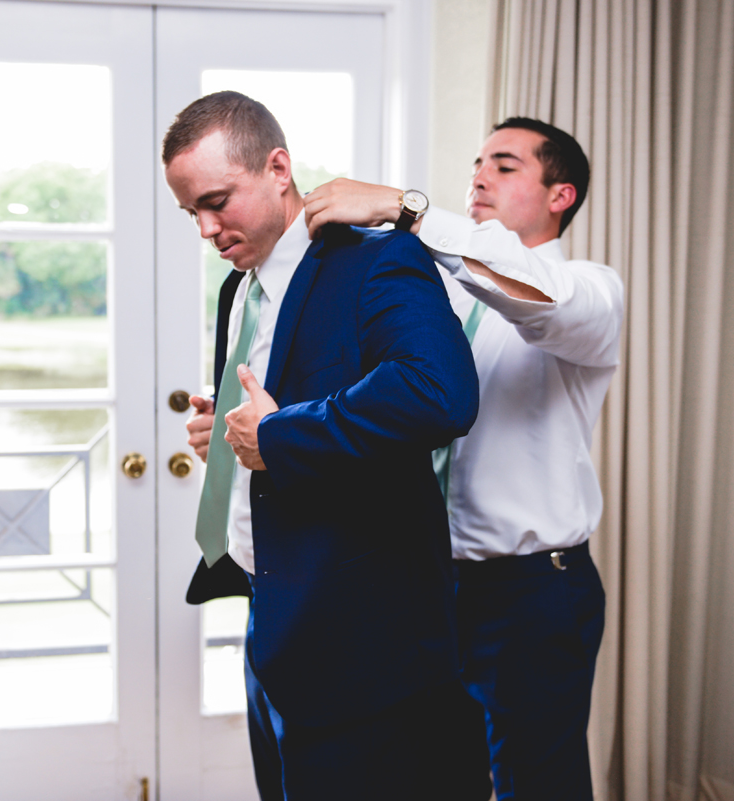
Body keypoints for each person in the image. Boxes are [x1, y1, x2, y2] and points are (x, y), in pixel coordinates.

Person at [164, 91, 491, 801]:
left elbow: (439, 392)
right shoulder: (237, 288)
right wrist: (227, 431)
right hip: (271, 616)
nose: (206, 228)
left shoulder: (377, 260)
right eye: (191, 211)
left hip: (361, 640)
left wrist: (279, 434)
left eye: (217, 201)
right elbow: (283, 394)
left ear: (278, 167)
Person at [303, 118, 624, 801]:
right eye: (477, 161)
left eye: (504, 165)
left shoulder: (588, 292)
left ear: (560, 194)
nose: (478, 175)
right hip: (425, 584)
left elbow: (534, 297)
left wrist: (404, 208)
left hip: (533, 594)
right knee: (436, 774)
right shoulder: (438, 300)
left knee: (536, 784)